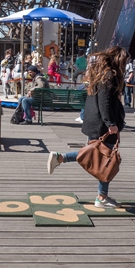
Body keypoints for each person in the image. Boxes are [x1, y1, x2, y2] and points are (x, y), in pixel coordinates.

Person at [46, 46, 128, 208]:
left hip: (95, 122)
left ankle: (60, 158)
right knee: (105, 160)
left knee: (96, 155)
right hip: (102, 124)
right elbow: (105, 102)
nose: (126, 64)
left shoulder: (100, 74)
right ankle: (101, 197)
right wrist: (111, 124)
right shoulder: (109, 75)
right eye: (125, 61)